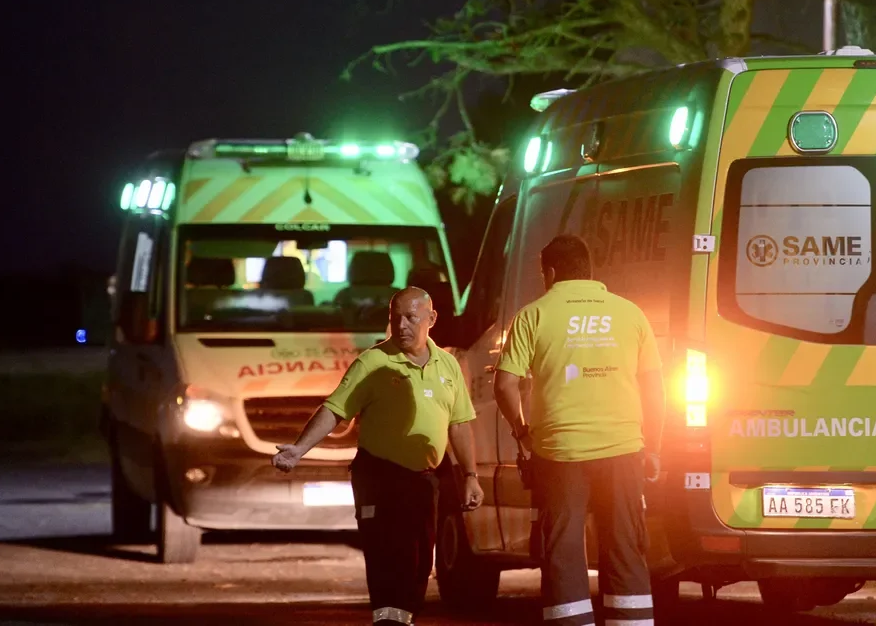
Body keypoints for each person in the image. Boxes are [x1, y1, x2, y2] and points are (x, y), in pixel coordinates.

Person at [273, 287, 484, 626]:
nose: (401, 325)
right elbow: (334, 409)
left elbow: (459, 424)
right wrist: (299, 449)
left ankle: (402, 619)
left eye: (411, 318)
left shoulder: (448, 366)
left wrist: (470, 476)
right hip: (380, 478)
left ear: (431, 319)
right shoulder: (372, 362)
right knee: (389, 562)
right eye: (394, 317)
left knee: (419, 564)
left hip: (423, 479)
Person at [493, 235, 665, 626]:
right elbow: (655, 388)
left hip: (559, 452)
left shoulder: (533, 315)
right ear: (589, 271)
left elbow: (504, 385)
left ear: (550, 273)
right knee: (625, 545)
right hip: (623, 450)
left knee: (563, 549)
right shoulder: (630, 314)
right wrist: (652, 447)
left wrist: (522, 433)